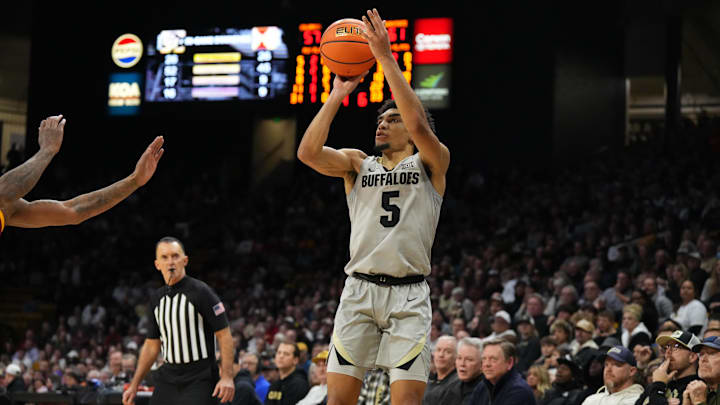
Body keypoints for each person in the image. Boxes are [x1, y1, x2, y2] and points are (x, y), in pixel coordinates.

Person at [296, 8, 450, 405]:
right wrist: (337, 95)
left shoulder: (431, 162)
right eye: (380, 119)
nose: (382, 124)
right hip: (359, 290)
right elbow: (308, 153)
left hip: (409, 295)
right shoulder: (356, 163)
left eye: (393, 119)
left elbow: (419, 124)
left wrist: (385, 58)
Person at [0, 115, 164, 232]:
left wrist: (134, 180)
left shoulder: (7, 209)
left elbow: (74, 211)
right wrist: (46, 151)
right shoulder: (4, 199)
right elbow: (3, 193)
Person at [122, 237, 235, 405]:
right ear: (157, 264)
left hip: (200, 376)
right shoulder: (156, 299)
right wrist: (135, 384)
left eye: (175, 256)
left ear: (185, 260)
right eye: (165, 257)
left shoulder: (202, 292)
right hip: (168, 376)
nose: (171, 262)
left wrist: (227, 377)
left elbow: (224, 334)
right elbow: (152, 345)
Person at [634, 330, 701, 405]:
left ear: (692, 357)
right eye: (667, 347)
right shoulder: (662, 381)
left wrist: (658, 388)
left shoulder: (697, 387)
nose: (667, 352)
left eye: (676, 347)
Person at [470, 339, 536, 404]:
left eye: (493, 359)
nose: (487, 364)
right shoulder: (482, 387)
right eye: (484, 359)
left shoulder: (519, 391)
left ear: (509, 362)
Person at [447, 337, 484, 404]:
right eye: (459, 358)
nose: (462, 364)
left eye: (469, 359)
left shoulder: (487, 390)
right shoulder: (452, 387)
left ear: (482, 364)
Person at [422, 336, 458, 405]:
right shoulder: (428, 382)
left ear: (456, 357)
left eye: (448, 351)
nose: (441, 355)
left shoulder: (457, 384)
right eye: (438, 350)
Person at [685, 335, 720, 405]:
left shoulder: (699, 395)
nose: (703, 359)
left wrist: (699, 402)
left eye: (711, 353)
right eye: (701, 354)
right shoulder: (698, 391)